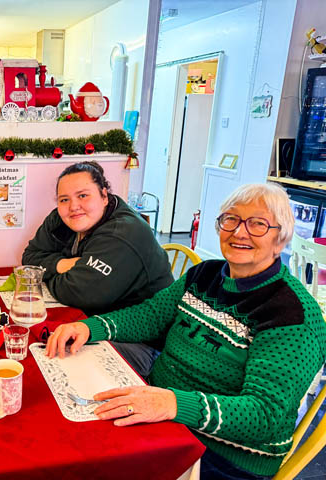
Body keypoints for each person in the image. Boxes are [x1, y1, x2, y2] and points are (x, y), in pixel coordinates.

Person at [46, 183, 326, 480]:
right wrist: (89, 327)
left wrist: (171, 403)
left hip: (225, 455)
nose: (240, 232)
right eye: (230, 219)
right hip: (163, 414)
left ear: (280, 238)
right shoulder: (204, 274)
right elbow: (151, 315)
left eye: (258, 224)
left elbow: (264, 414)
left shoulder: (293, 315)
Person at [22, 161, 173, 376]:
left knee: (55, 365)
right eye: (64, 199)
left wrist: (49, 274)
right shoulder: (61, 218)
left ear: (104, 195)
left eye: (83, 195)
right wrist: (64, 265)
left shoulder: (123, 233)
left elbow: (79, 293)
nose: (73, 206)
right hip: (93, 320)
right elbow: (29, 258)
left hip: (140, 340)